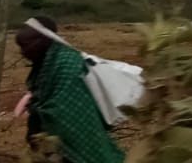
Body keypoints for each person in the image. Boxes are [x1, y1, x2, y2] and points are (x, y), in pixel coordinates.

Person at [14, 16, 124, 163]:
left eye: (26, 46)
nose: (23, 52)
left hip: (75, 129)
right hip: (46, 136)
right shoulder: (45, 61)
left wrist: (37, 110)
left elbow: (64, 107)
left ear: (44, 40)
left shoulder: (67, 62)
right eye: (21, 47)